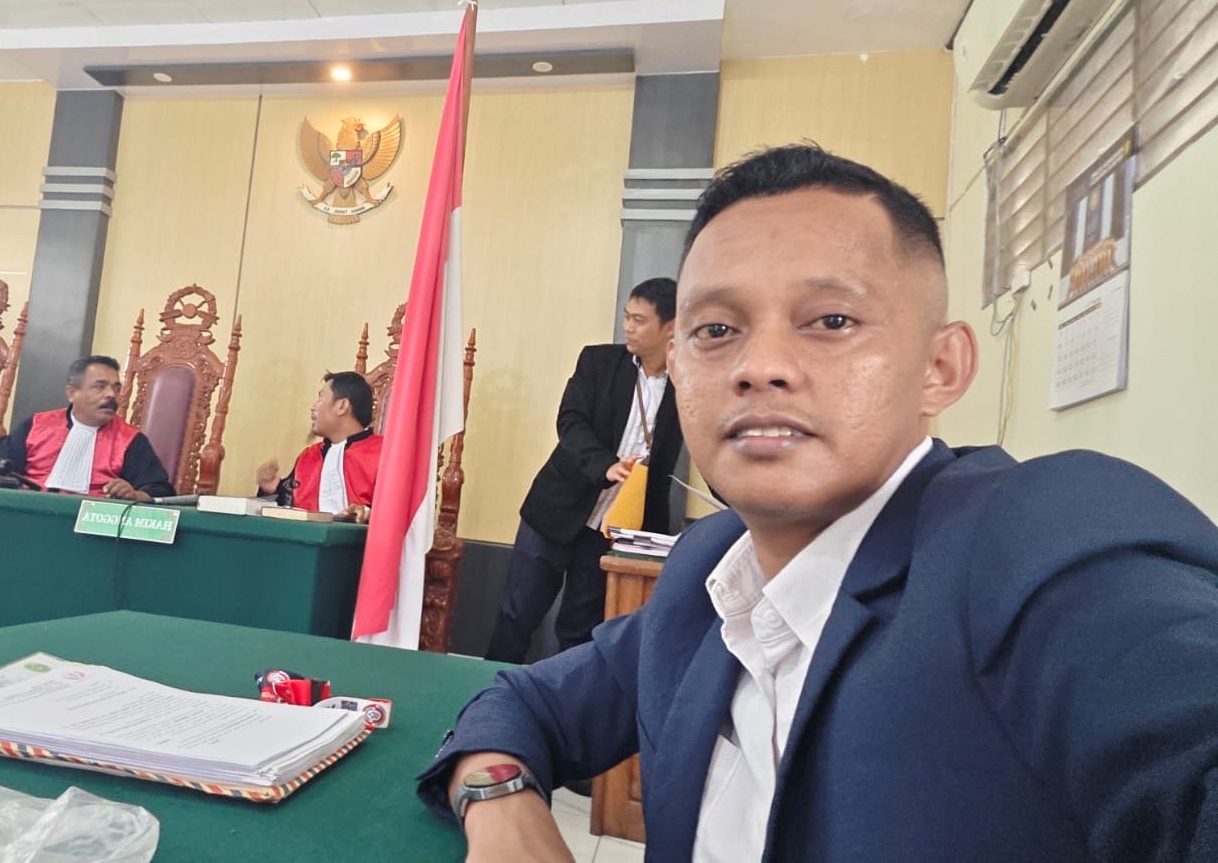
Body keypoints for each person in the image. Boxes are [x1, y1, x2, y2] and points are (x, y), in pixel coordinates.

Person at [417, 145, 1218, 860]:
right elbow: (522, 701)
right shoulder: (710, 572)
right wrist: (502, 802)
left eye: (831, 320)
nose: (760, 365)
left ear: (941, 367)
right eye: (716, 330)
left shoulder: (1040, 545)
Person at [482, 278, 685, 664]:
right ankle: (490, 688)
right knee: (517, 614)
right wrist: (605, 465)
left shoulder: (685, 384)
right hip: (557, 508)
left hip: (614, 527)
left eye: (639, 320)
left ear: (671, 327)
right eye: (627, 316)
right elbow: (571, 422)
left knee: (580, 629)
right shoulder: (598, 362)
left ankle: (563, 696)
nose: (628, 327)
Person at [0, 355, 174, 501]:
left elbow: (159, 489)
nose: (111, 394)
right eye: (100, 387)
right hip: (30, 512)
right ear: (72, 393)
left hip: (93, 525)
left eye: (116, 388)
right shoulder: (38, 425)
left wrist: (135, 495)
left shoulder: (130, 439)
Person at [256, 371, 383, 523]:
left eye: (321, 398)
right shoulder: (309, 456)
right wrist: (272, 489)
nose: (313, 407)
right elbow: (289, 508)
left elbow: (397, 510)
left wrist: (370, 514)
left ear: (342, 406)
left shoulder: (384, 453)